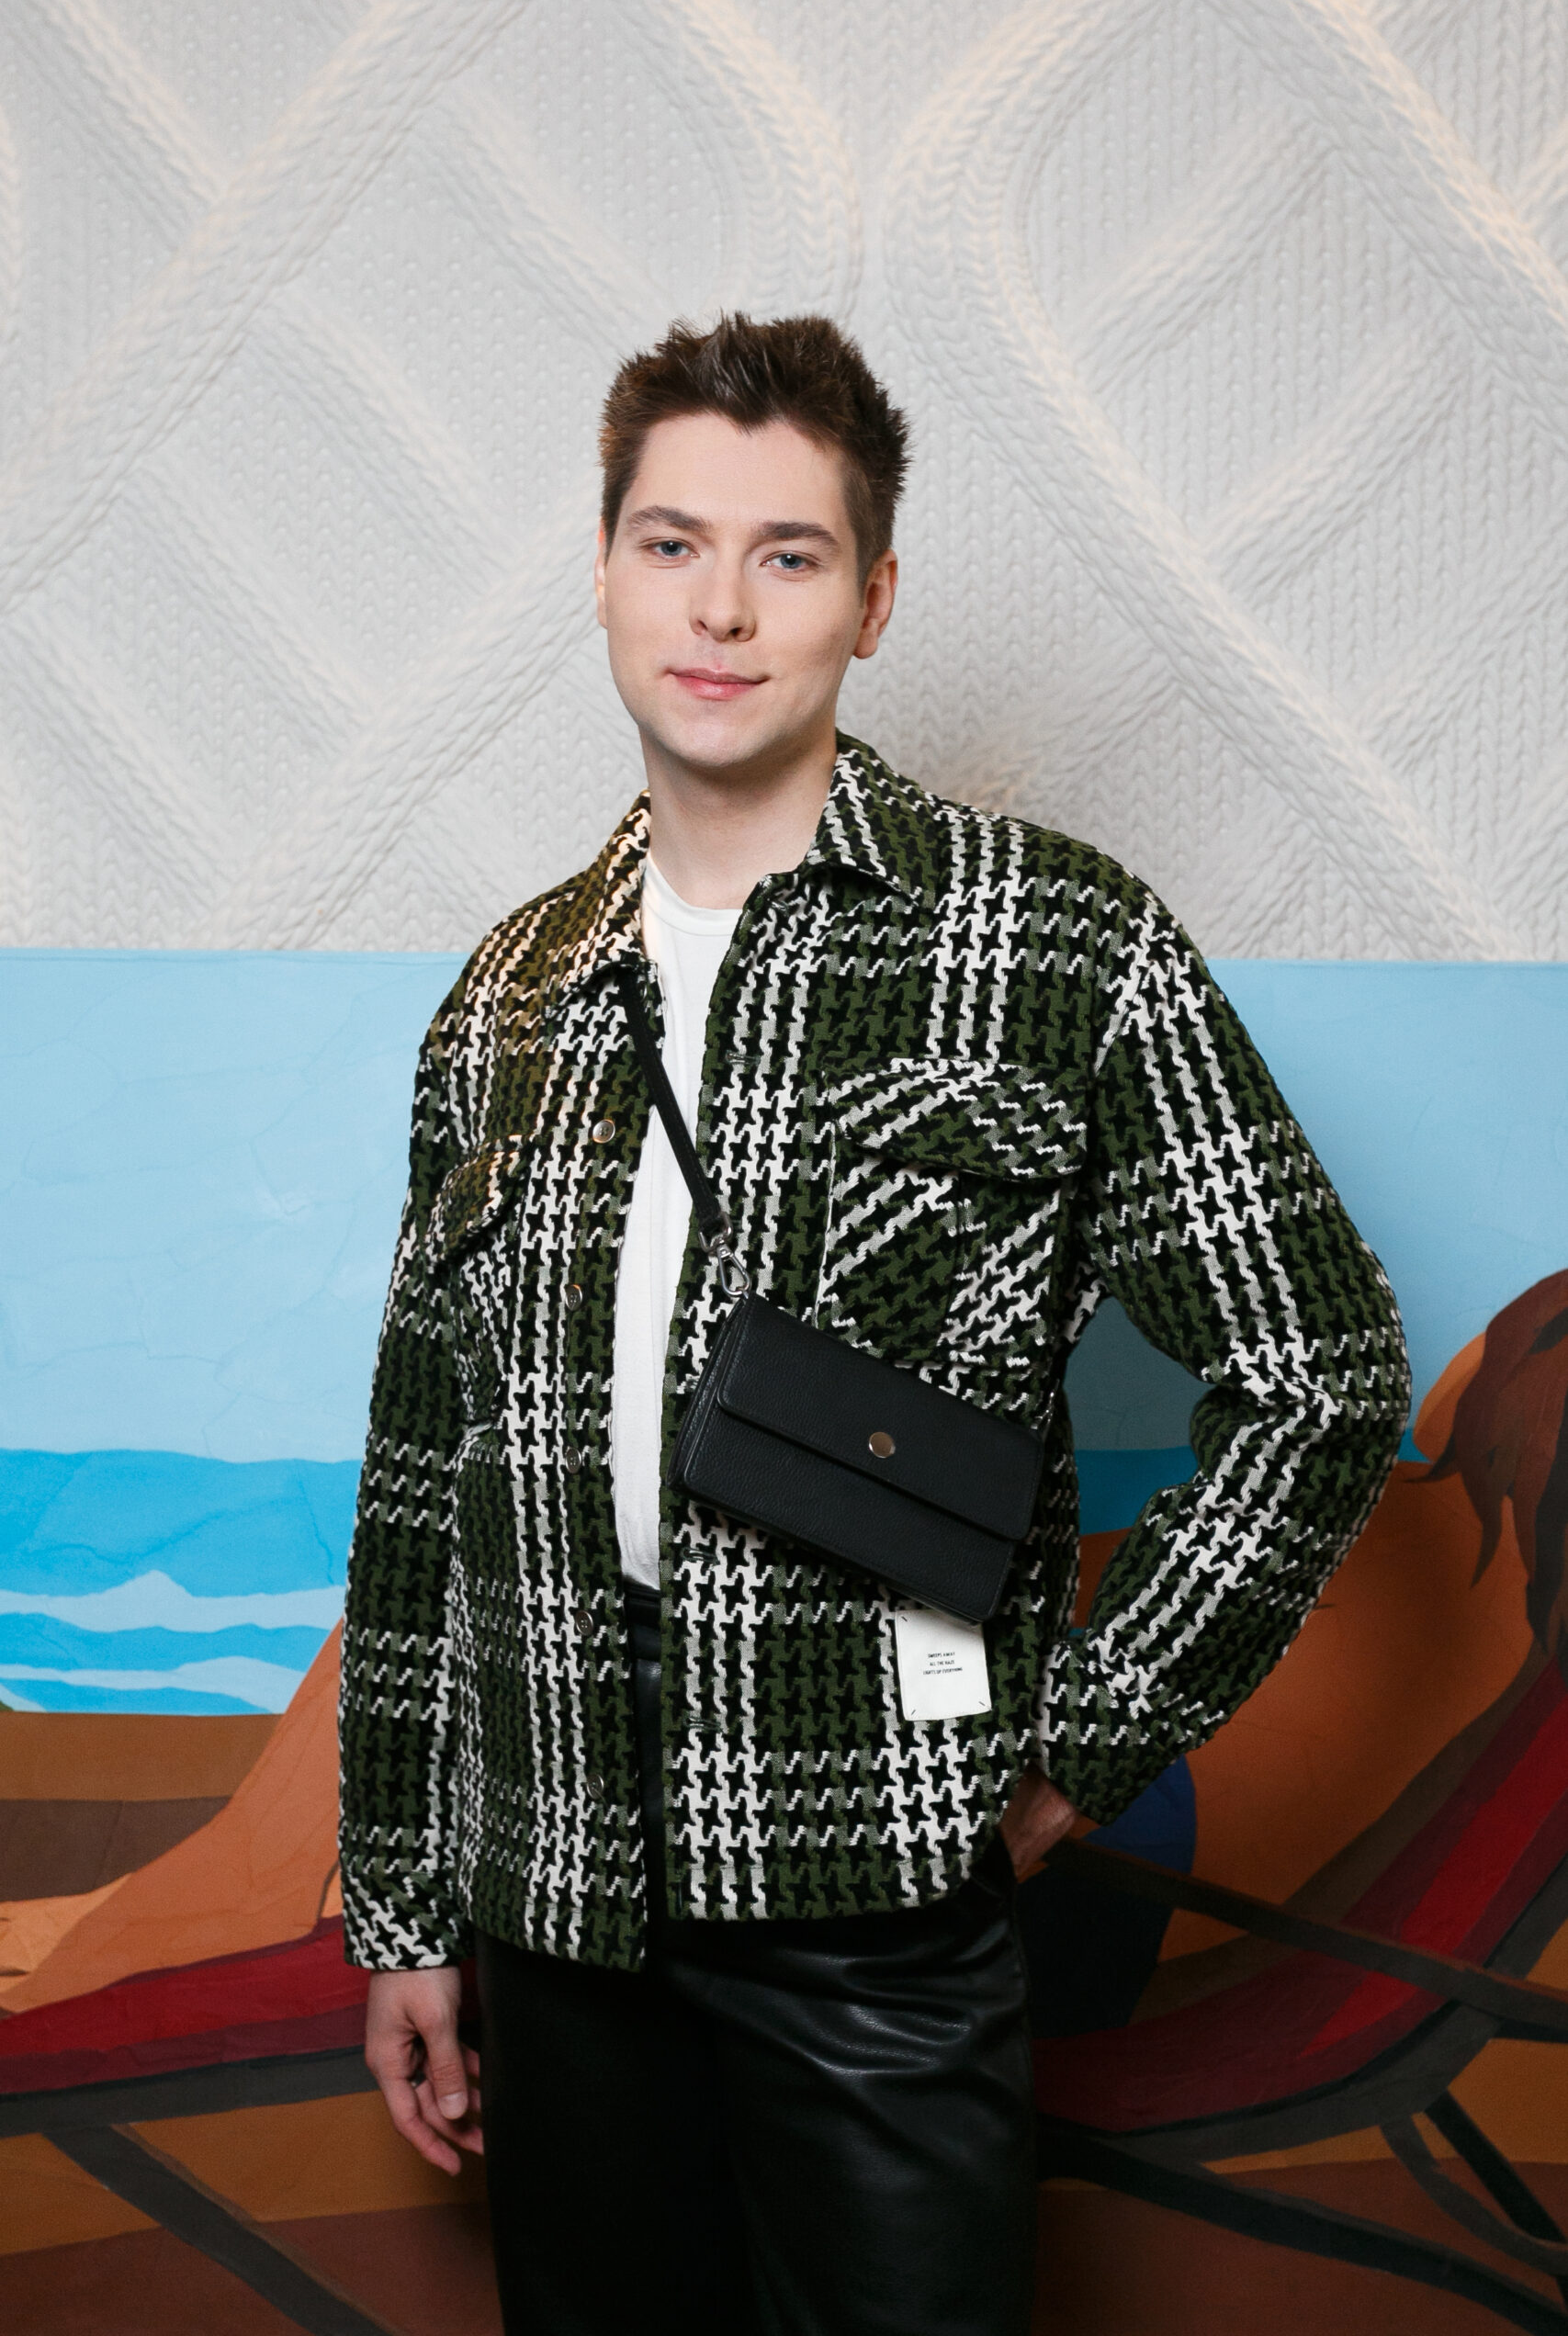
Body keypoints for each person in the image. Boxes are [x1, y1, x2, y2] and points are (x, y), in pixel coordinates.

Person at [339, 312, 1410, 2336]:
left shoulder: (1059, 942)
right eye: (670, 544)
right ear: (601, 571)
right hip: (552, 1901)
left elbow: (1320, 1373)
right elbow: (420, 1481)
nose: (720, 609)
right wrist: (403, 1904)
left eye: (788, 554)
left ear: (875, 596)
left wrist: (1085, 1740)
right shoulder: (504, 998)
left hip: (879, 1901)